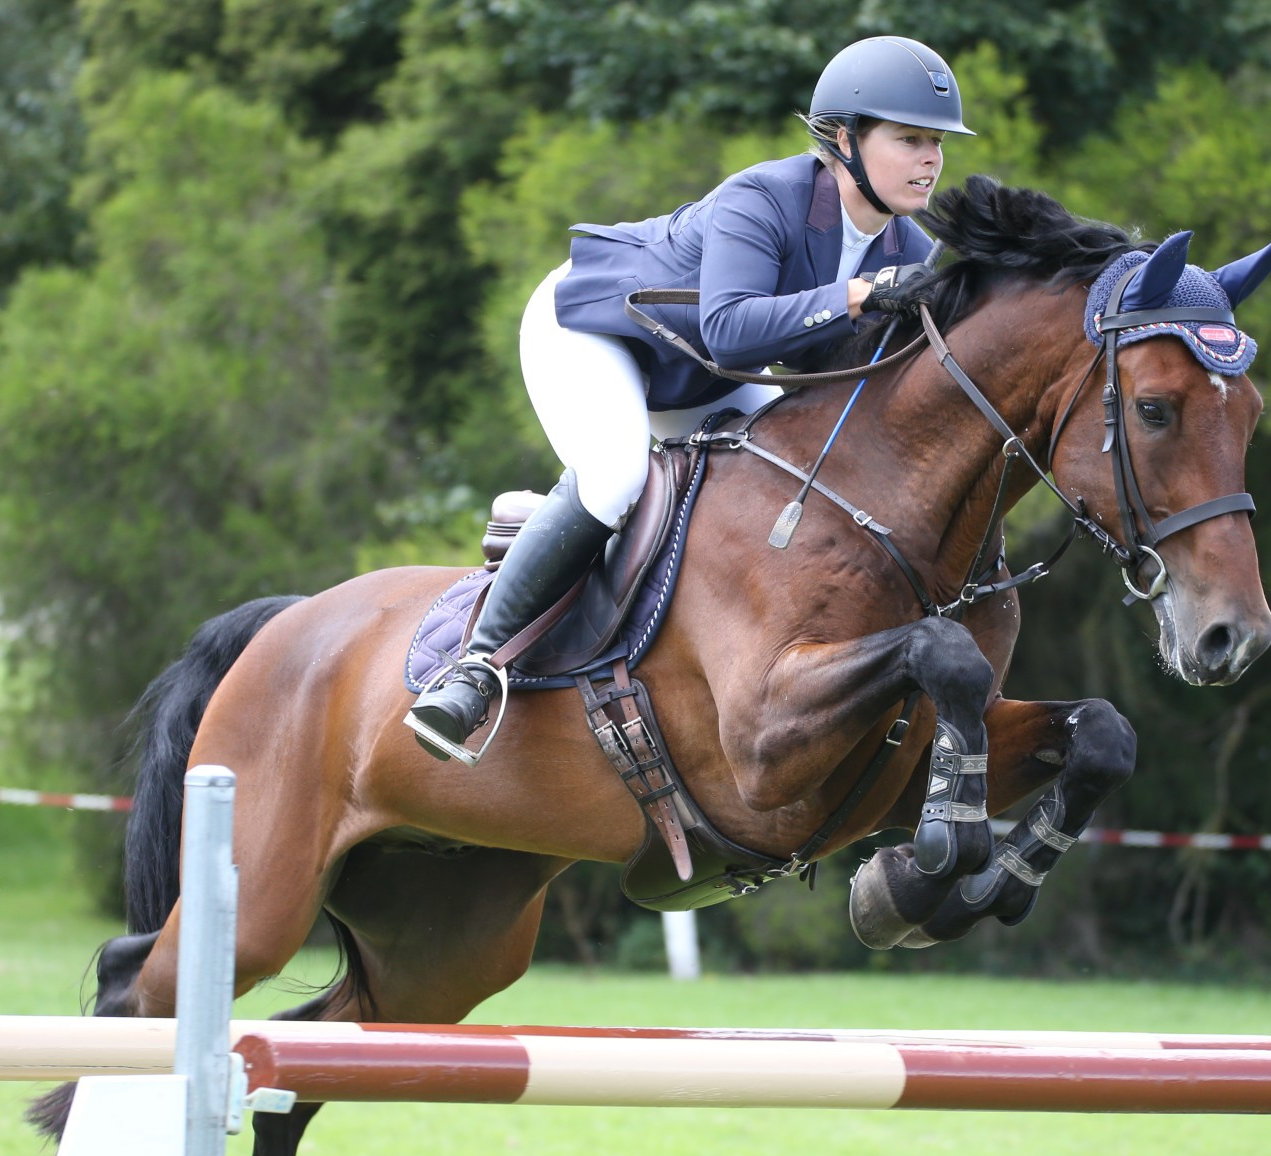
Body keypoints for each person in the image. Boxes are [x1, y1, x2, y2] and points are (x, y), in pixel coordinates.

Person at [406, 35, 974, 763]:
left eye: (938, 143)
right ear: (844, 139)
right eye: (911, 139)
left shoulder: (910, 250)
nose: (931, 158)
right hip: (597, 329)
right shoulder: (763, 198)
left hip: (696, 372)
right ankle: (475, 667)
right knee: (617, 476)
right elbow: (732, 329)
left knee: (776, 481)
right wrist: (857, 297)